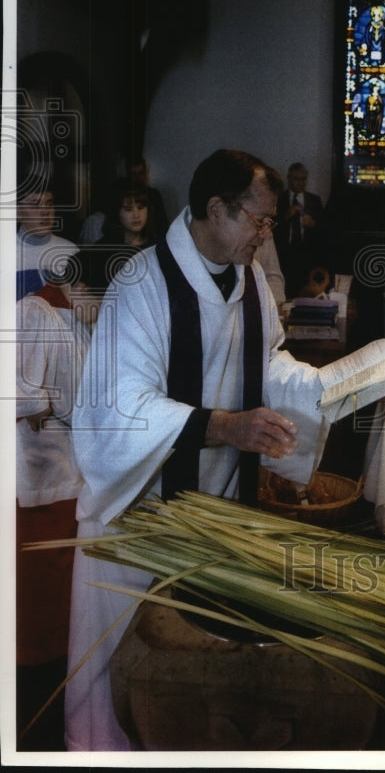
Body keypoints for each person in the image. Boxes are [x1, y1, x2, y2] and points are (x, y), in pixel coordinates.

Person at [65, 149, 329, 751]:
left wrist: (319, 389)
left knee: (195, 676)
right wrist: (227, 428)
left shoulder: (253, 277)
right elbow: (117, 408)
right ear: (216, 209)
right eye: (259, 221)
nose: (266, 236)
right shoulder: (140, 284)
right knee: (123, 681)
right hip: (141, 510)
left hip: (216, 507)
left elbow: (264, 362)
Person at [16, 248, 110, 750]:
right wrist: (47, 408)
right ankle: (29, 704)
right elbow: (19, 397)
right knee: (36, 593)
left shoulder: (84, 321)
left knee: (63, 594)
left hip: (73, 471)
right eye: (103, 299)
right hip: (38, 475)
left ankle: (56, 684)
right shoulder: (36, 312)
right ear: (80, 288)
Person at [16, 185, 78, 300]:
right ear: (18, 212)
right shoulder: (4, 251)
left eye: (49, 204)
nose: (45, 212)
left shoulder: (71, 251)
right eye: (35, 205)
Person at [275, 162, 326, 298]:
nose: (300, 183)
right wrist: (286, 216)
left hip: (307, 253)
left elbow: (325, 229)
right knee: (286, 290)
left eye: (303, 179)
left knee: (305, 291)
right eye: (296, 179)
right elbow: (271, 226)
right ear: (289, 178)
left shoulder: (314, 200)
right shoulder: (279, 199)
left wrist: (313, 224)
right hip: (285, 252)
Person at [125, 156, 169, 238]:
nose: (138, 178)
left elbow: (163, 224)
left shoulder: (154, 195)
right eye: (134, 174)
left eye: (141, 173)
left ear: (145, 173)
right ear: (129, 175)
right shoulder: (123, 197)